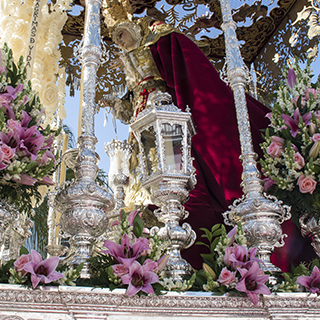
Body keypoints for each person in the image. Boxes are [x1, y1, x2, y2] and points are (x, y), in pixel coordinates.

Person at [107, 17, 314, 269]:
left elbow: (176, 55)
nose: (120, 41)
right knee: (144, 161)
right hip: (143, 113)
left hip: (164, 108)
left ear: (134, 30)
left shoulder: (153, 42)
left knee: (173, 157)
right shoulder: (128, 61)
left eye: (122, 34)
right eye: (116, 39)